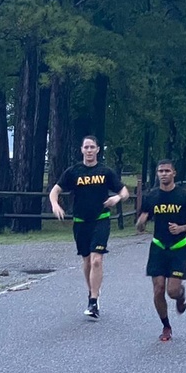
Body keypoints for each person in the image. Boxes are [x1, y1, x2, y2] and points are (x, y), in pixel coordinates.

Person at [49, 135, 130, 319]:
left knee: (96, 260)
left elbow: (124, 191)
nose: (89, 150)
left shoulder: (105, 171)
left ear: (98, 149)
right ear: (82, 149)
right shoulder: (73, 171)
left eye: (92, 147)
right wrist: (55, 204)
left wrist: (117, 198)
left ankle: (93, 302)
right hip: (80, 221)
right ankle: (93, 292)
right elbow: (55, 190)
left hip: (100, 219)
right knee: (86, 261)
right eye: (86, 147)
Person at [136, 159, 186, 342]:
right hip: (158, 246)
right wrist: (141, 223)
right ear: (157, 174)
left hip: (178, 247)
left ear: (174, 173)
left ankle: (180, 295)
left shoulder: (184, 196)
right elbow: (141, 225)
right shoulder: (152, 197)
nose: (163, 174)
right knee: (158, 290)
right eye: (160, 171)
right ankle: (166, 326)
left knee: (172, 291)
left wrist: (182, 228)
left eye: (167, 171)